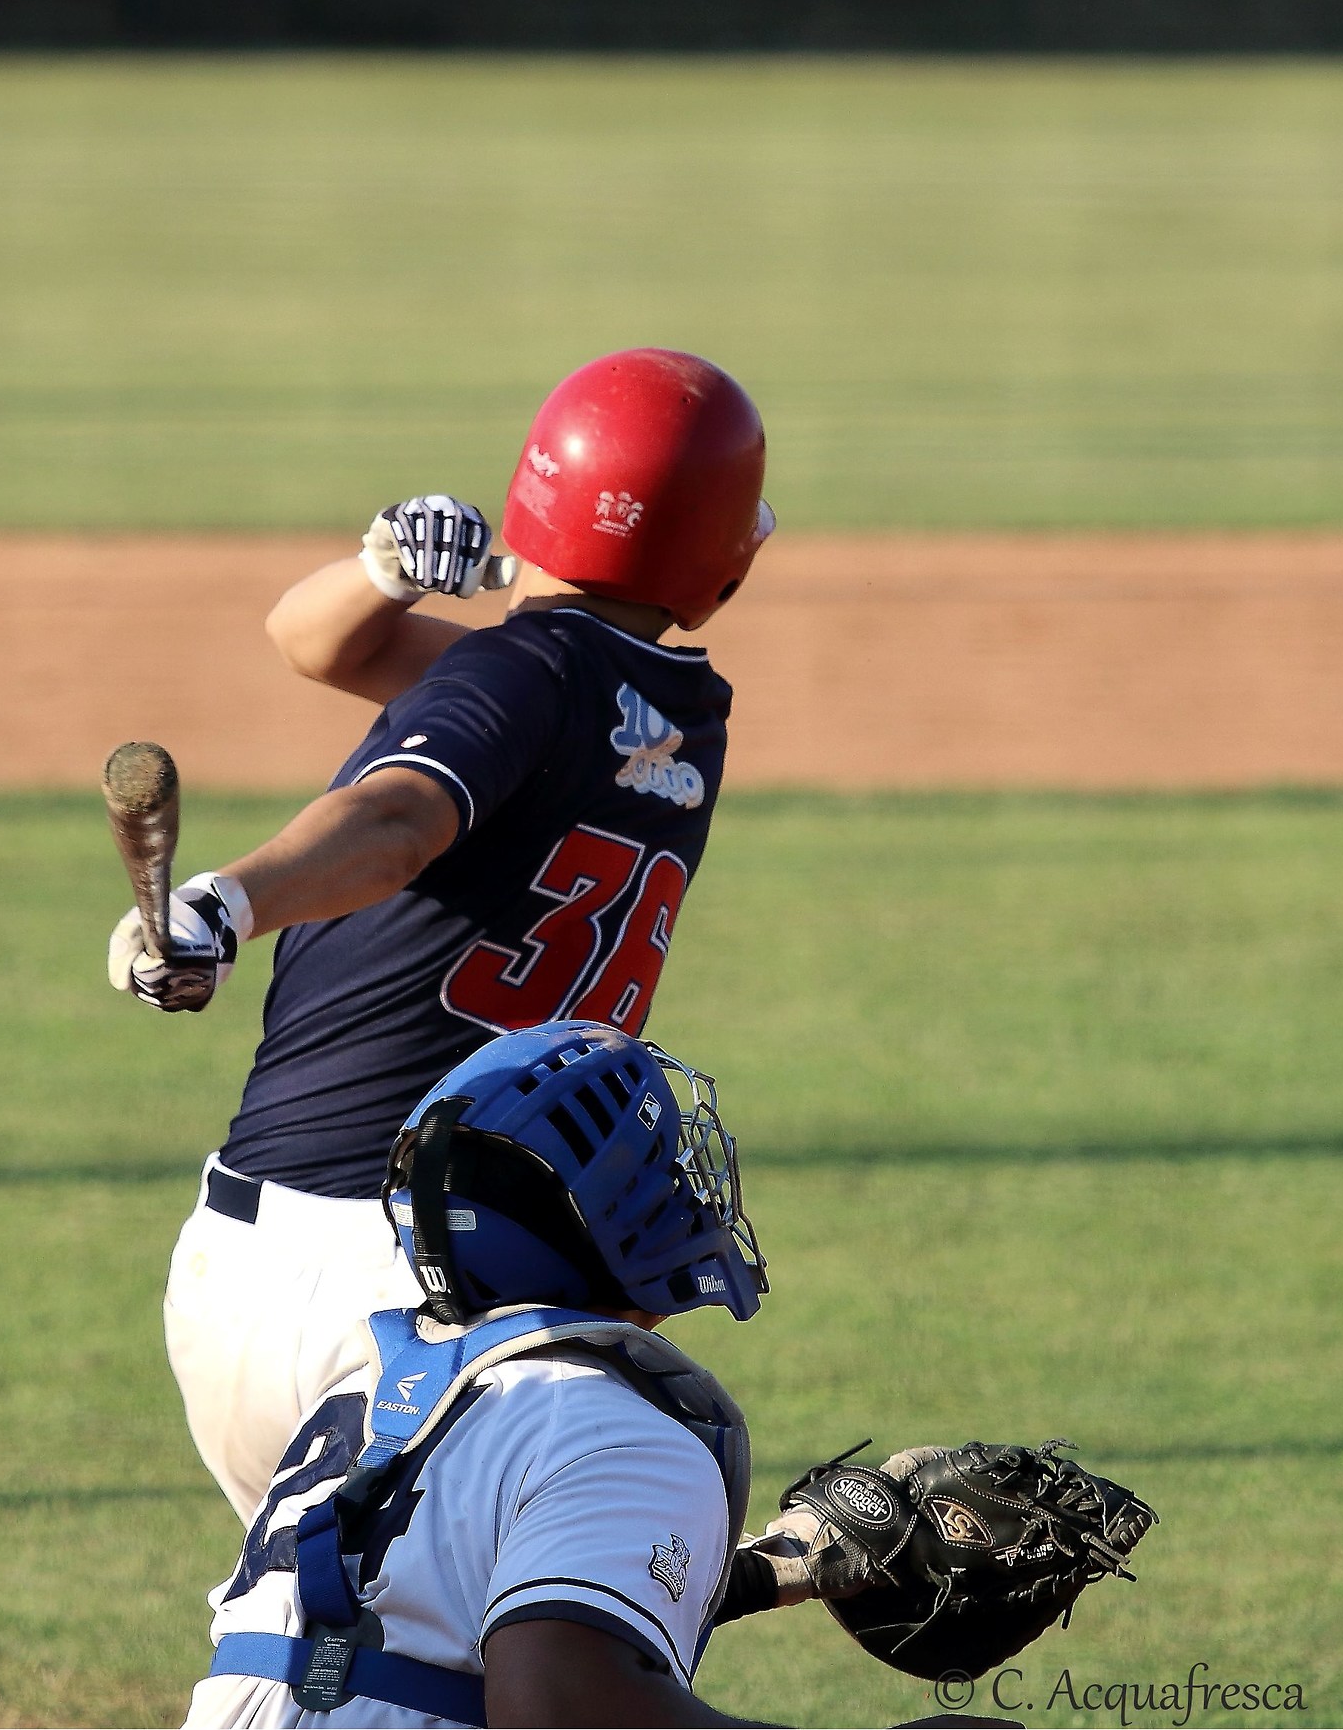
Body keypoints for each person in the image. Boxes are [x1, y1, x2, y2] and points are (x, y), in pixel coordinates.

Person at [110, 351, 774, 1521]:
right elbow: (332, 653)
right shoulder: (677, 715)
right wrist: (384, 576)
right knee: (458, 1621)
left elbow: (400, 816)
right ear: (722, 564)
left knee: (310, 1615)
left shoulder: (523, 672)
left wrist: (224, 902)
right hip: (431, 1277)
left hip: (273, 1266)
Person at [183, 1020, 800, 1728]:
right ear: (612, 1219)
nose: (685, 1189)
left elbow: (436, 1611)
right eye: (658, 1170)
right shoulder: (617, 1433)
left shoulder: (373, 1392)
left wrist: (779, 1567)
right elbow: (559, 1710)